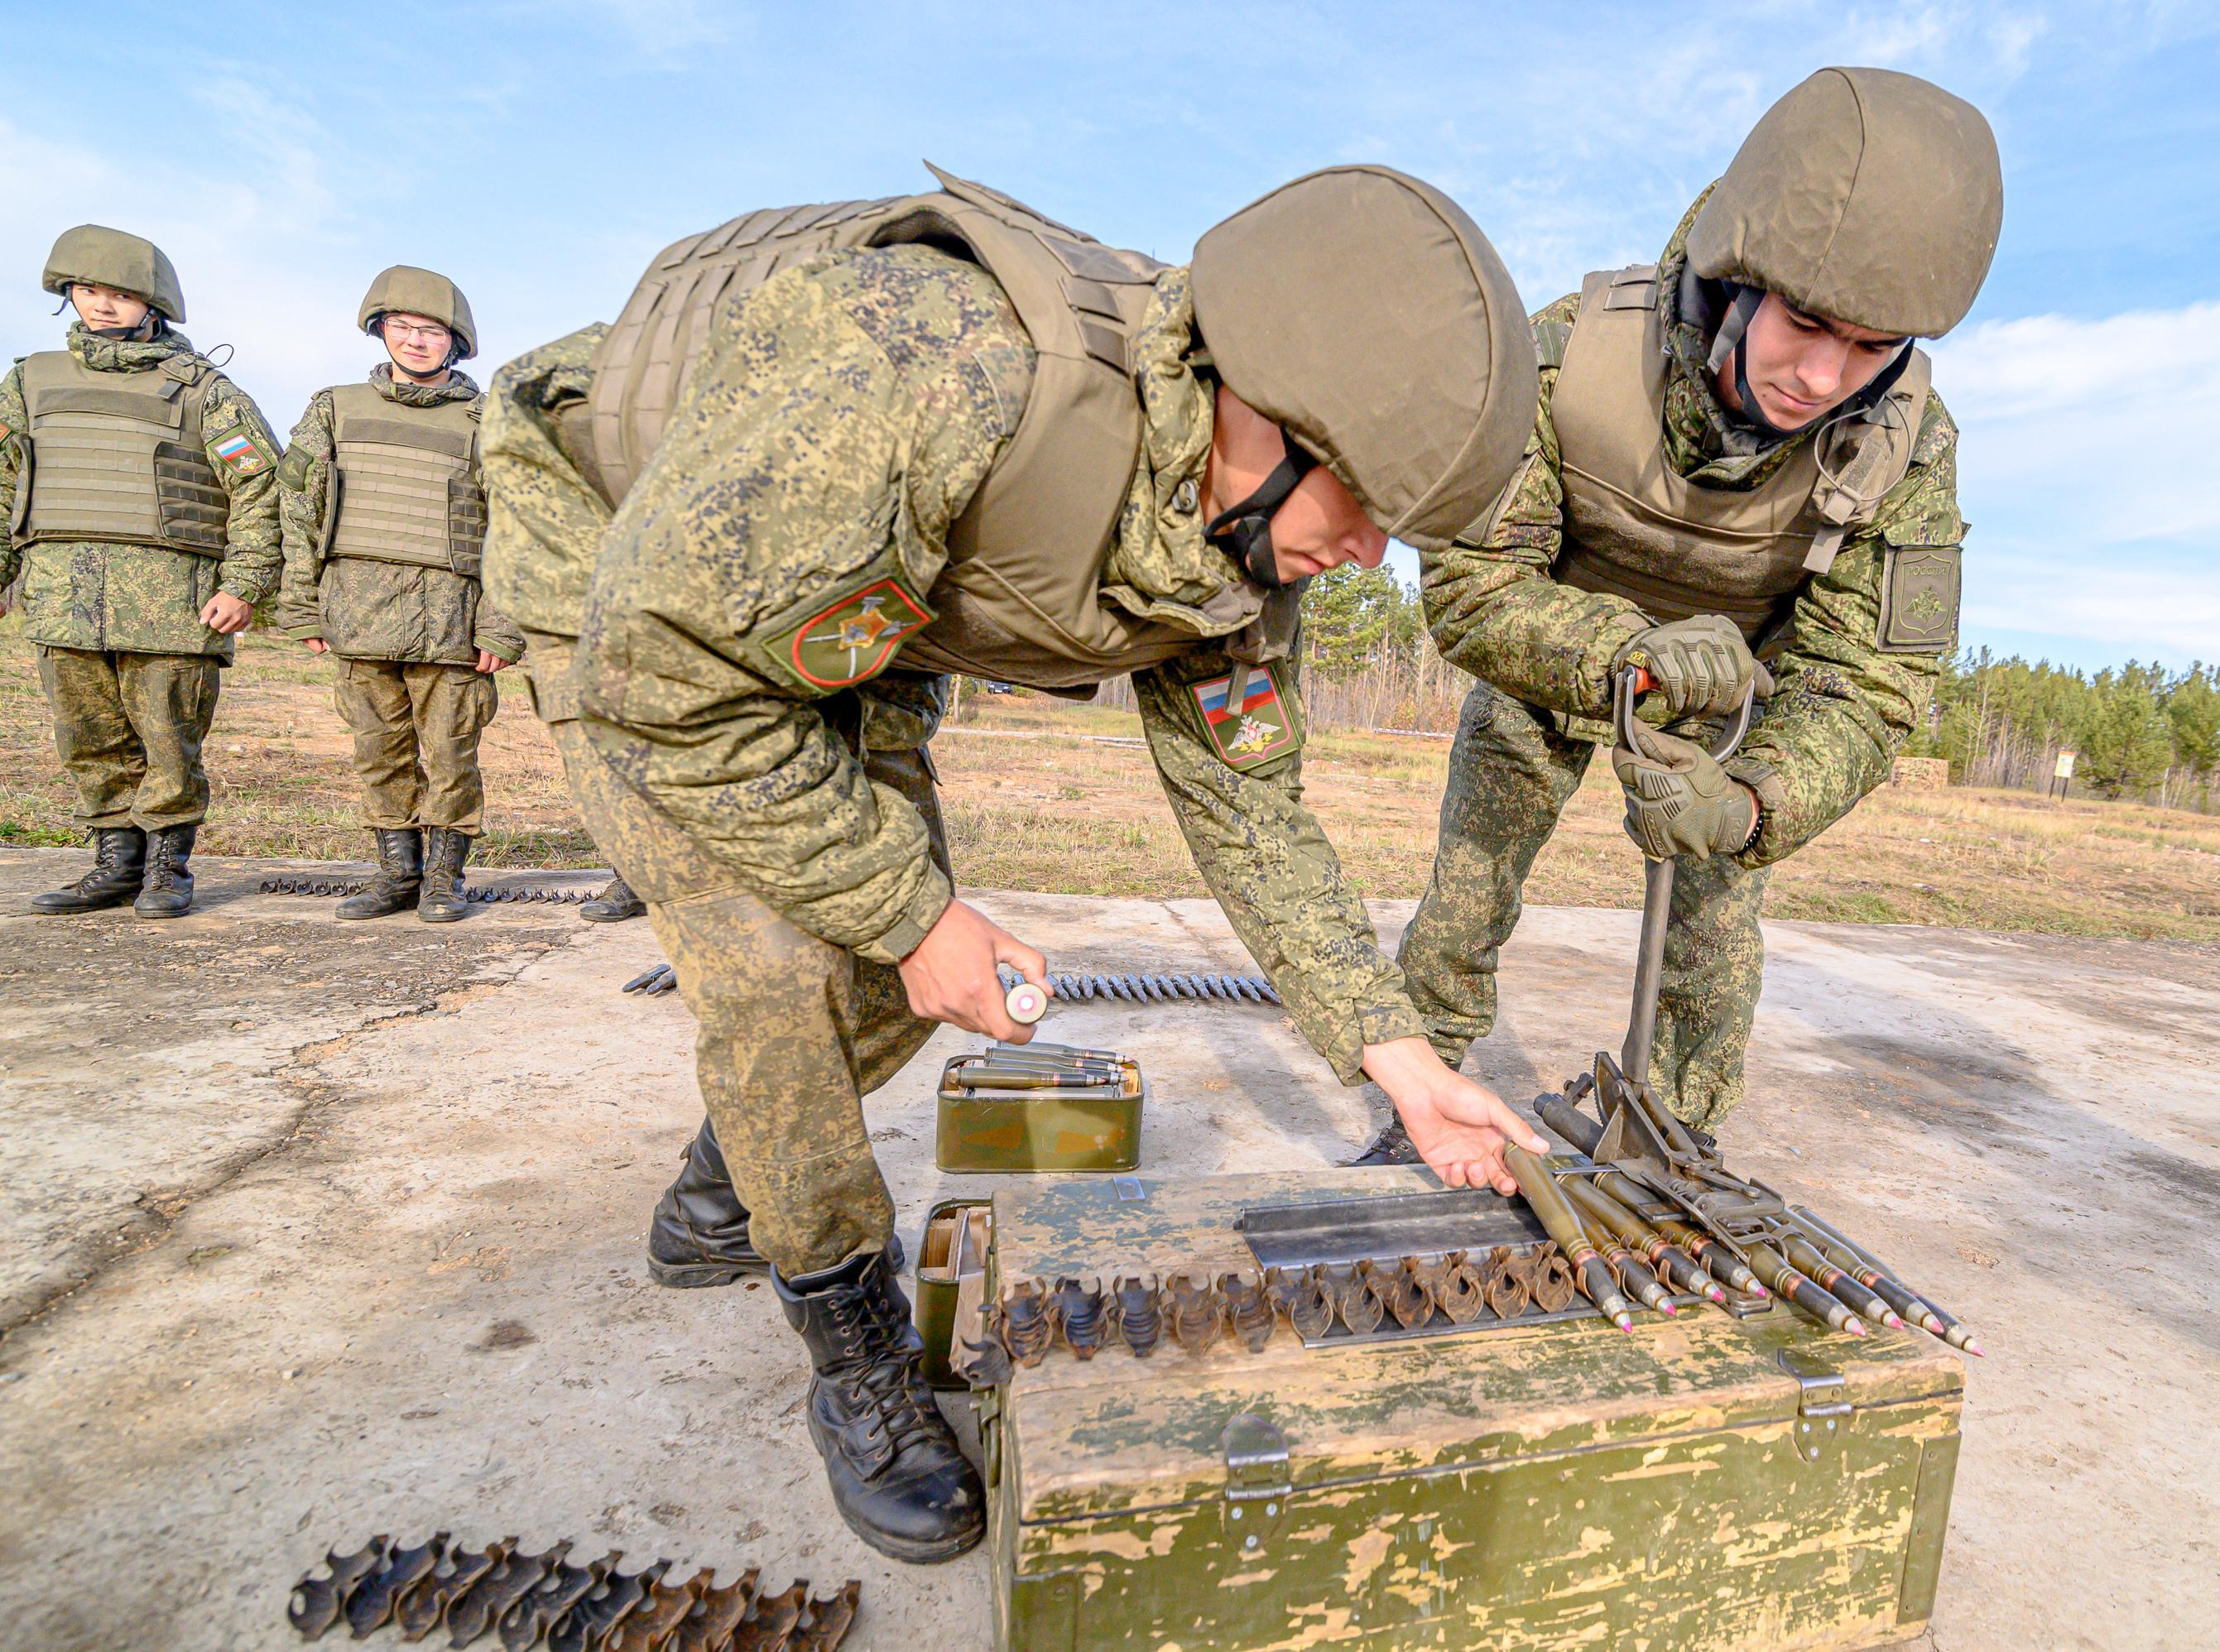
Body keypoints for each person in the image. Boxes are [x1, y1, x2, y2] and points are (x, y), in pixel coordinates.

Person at [483, 164, 1547, 1562]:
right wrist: (915, 909)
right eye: (1364, 500)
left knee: (879, 984)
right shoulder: (934, 364)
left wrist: (1402, 1061)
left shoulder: (1243, 540)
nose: (1368, 554)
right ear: (1265, 402)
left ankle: (723, 1187)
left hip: (845, 610)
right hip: (635, 571)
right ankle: (852, 1350)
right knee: (789, 965)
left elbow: (1255, 816)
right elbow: (665, 669)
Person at [1383, 67, 2004, 1156]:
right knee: (1465, 897)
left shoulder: (1911, 450)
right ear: (1736, 275)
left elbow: (1873, 681)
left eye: (1871, 346)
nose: (1821, 377)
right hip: (1554, 658)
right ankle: (1420, 1101)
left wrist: (1755, 804)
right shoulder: (1569, 354)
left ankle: (1671, 1149)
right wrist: (1625, 652)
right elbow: (1470, 589)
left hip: (1731, 714)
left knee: (1714, 929)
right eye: (1805, 322)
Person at [0, 226, 284, 918]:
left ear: (153, 303)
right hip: (63, 595)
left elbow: (262, 489)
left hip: (173, 605)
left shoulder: (205, 392)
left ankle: (166, 867)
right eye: (89, 291)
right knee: (88, 738)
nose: (102, 306)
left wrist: (243, 584)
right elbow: (5, 484)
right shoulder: (29, 381)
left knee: (167, 738)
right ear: (68, 294)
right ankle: (114, 864)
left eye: (121, 294)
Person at [272, 267, 521, 921]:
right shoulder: (334, 407)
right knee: (378, 750)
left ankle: (444, 876)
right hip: (359, 612)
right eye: (402, 327)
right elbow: (297, 509)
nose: (415, 341)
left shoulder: (492, 418)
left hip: (453, 620)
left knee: (450, 753)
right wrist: (299, 602)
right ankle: (396, 873)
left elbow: (522, 527)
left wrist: (501, 625)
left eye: (431, 331)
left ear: (456, 341)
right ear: (380, 329)